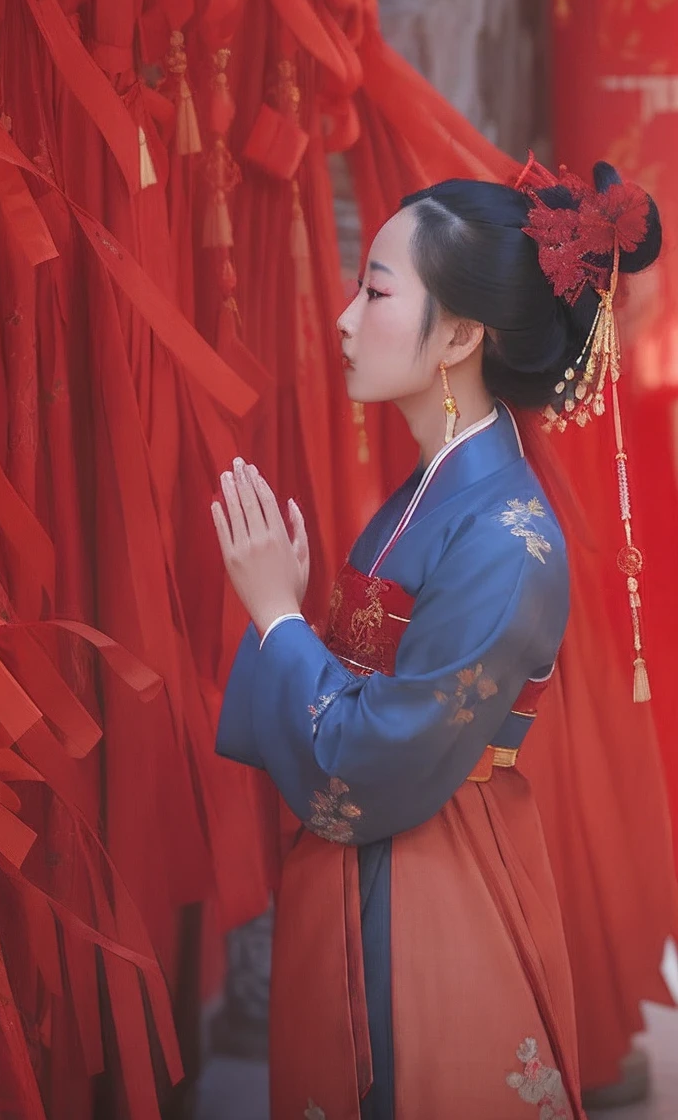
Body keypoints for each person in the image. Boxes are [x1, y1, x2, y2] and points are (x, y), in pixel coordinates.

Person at [212, 165, 661, 1120]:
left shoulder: (508, 539)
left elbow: (373, 759)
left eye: (376, 291)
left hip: (433, 879)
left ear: (461, 334)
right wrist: (288, 612)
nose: (343, 317)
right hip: (378, 857)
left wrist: (278, 621)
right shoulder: (433, 496)